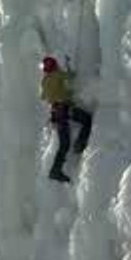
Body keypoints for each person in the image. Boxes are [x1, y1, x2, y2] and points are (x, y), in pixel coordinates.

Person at [40, 55, 92, 184]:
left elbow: (43, 96)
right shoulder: (58, 74)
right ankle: (80, 143)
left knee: (64, 144)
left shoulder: (44, 81)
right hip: (64, 108)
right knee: (87, 119)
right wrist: (68, 67)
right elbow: (71, 77)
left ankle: (55, 170)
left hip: (56, 113)